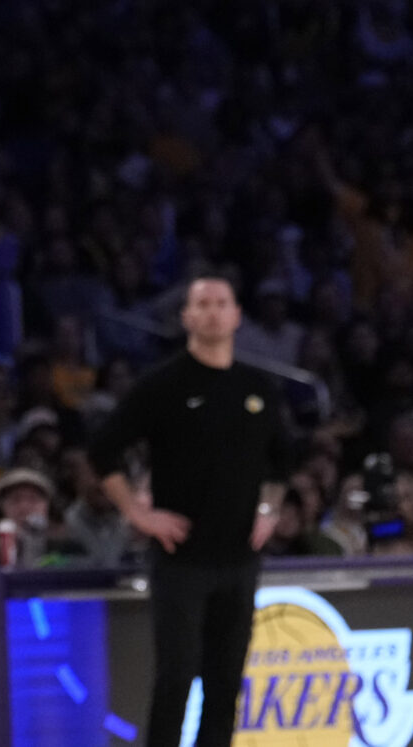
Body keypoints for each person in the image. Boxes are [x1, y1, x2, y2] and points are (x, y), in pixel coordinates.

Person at [87, 277, 294, 747]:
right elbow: (102, 449)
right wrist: (138, 515)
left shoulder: (257, 386)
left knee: (225, 685)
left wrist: (268, 508)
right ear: (186, 317)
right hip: (181, 559)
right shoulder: (164, 384)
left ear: (237, 315)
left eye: (222, 303)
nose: (214, 313)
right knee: (176, 678)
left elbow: (284, 459)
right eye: (203, 304)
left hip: (239, 559)